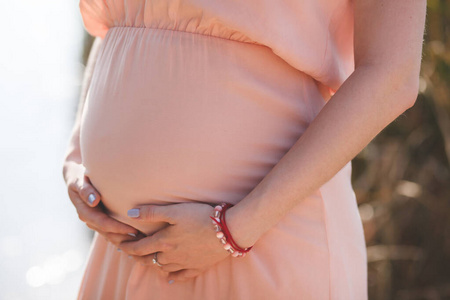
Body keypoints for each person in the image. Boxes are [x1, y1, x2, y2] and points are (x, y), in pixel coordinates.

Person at [62, 0, 427, 299]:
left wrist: (232, 232)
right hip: (124, 252)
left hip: (263, 239)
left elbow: (391, 75)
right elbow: (116, 25)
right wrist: (77, 153)